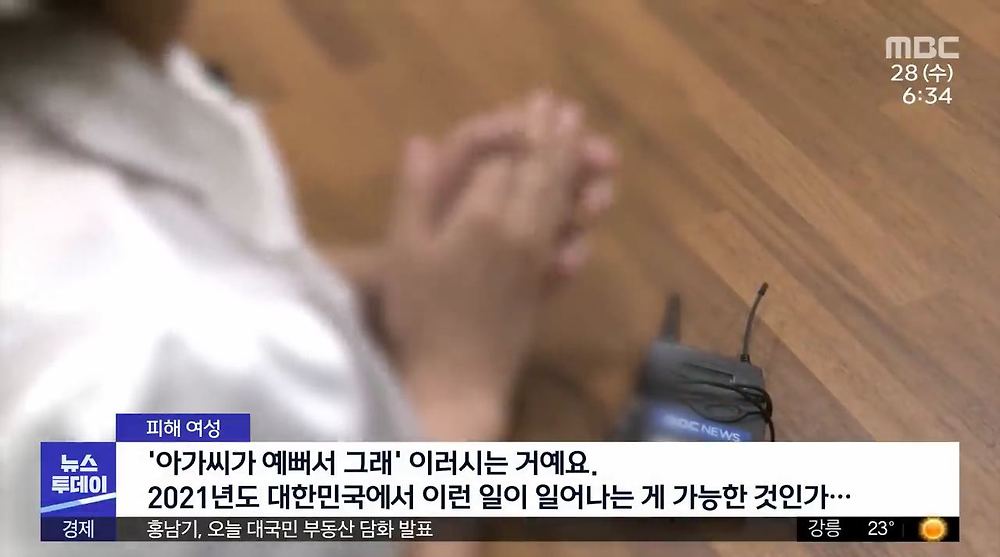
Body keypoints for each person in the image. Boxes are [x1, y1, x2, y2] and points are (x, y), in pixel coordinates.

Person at [0, 1, 618, 556]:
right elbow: (103, 488)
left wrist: (424, 284)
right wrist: (455, 389)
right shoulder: (182, 352)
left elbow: (87, 485)